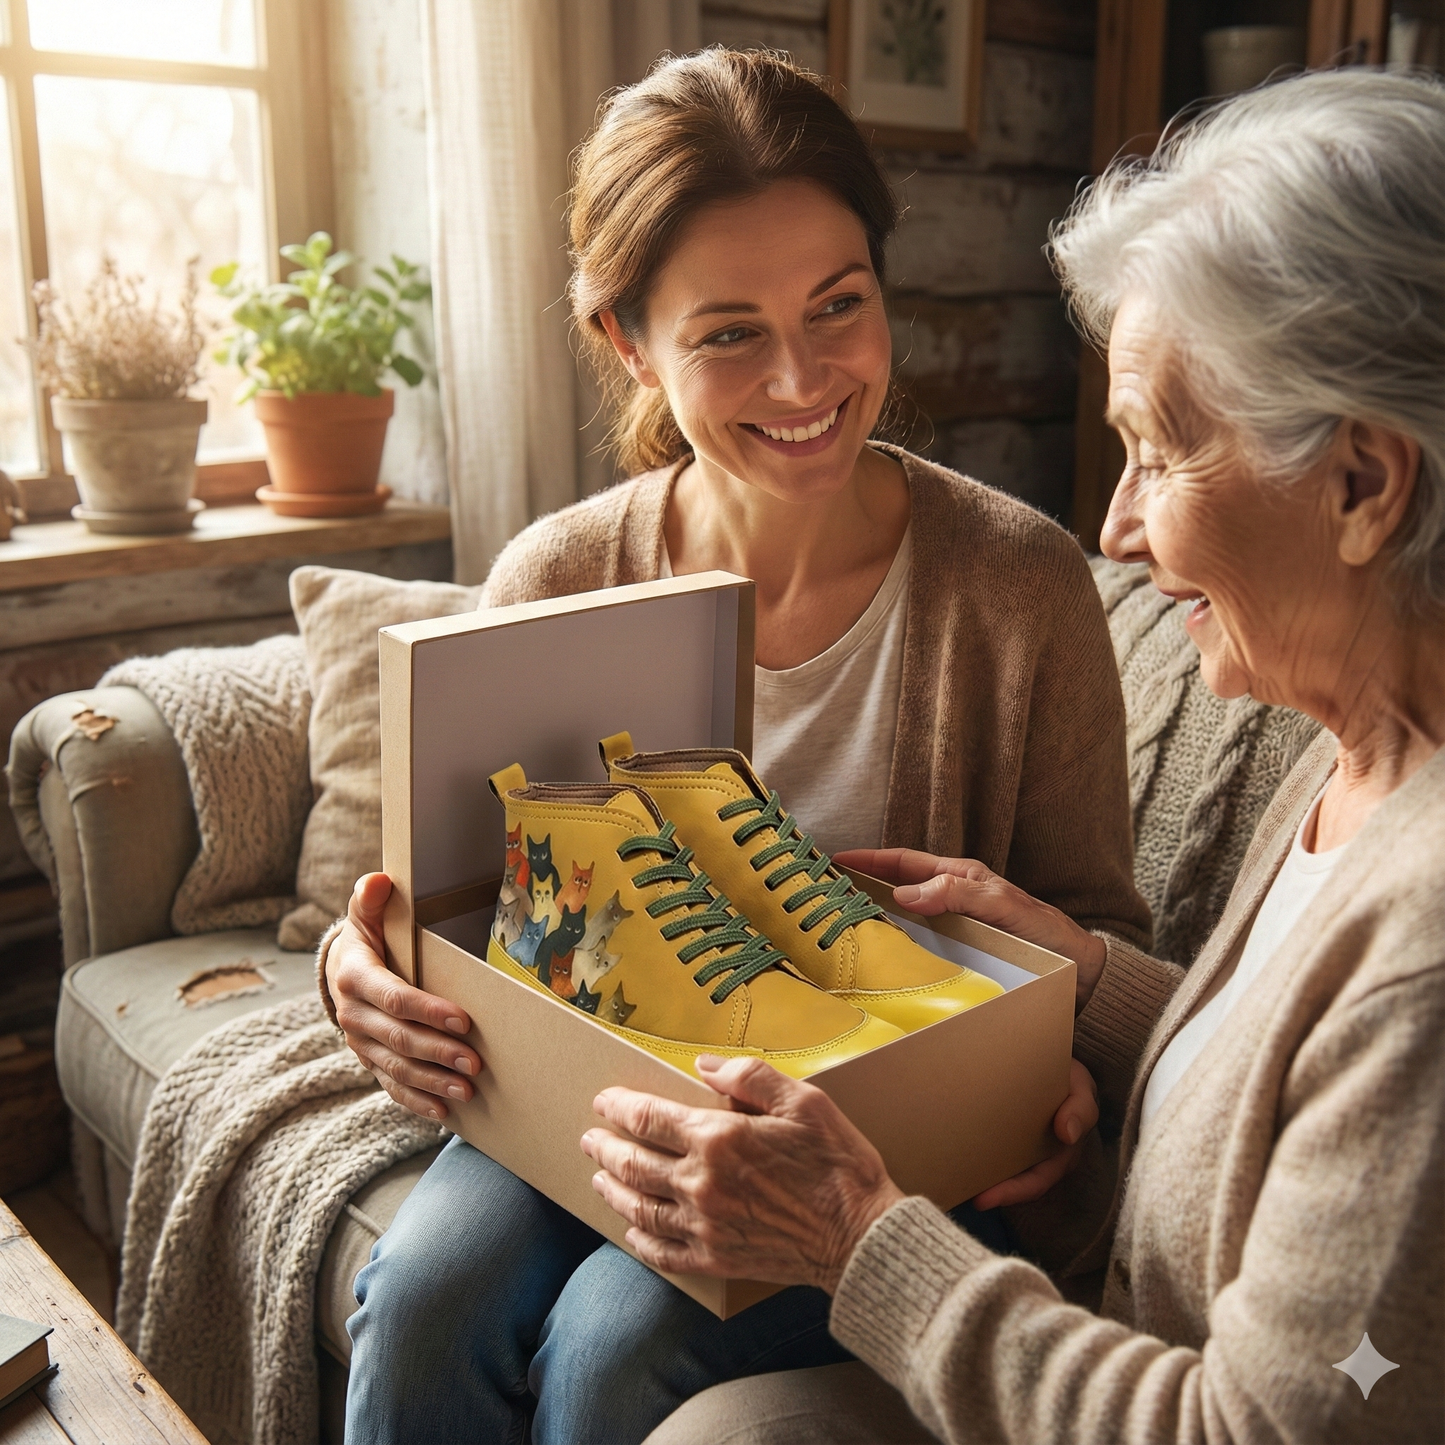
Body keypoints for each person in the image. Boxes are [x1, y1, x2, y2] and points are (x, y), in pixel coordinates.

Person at [593, 70, 1445, 1445]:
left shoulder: (1427, 957)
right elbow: (1281, 1081)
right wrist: (1077, 968)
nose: (1115, 531)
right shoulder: (1360, 745)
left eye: (1161, 452)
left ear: (1362, 485)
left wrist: (859, 1234)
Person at [322, 48, 1152, 1445]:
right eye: (727, 333)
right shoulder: (556, 574)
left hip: (873, 1138)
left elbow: (1097, 929)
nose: (804, 377)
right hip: (586, 1080)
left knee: (613, 1339)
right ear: (628, 342)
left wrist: (1061, 1070)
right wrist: (361, 973)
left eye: (840, 305)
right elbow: (425, 901)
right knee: (423, 1297)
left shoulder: (1022, 589)